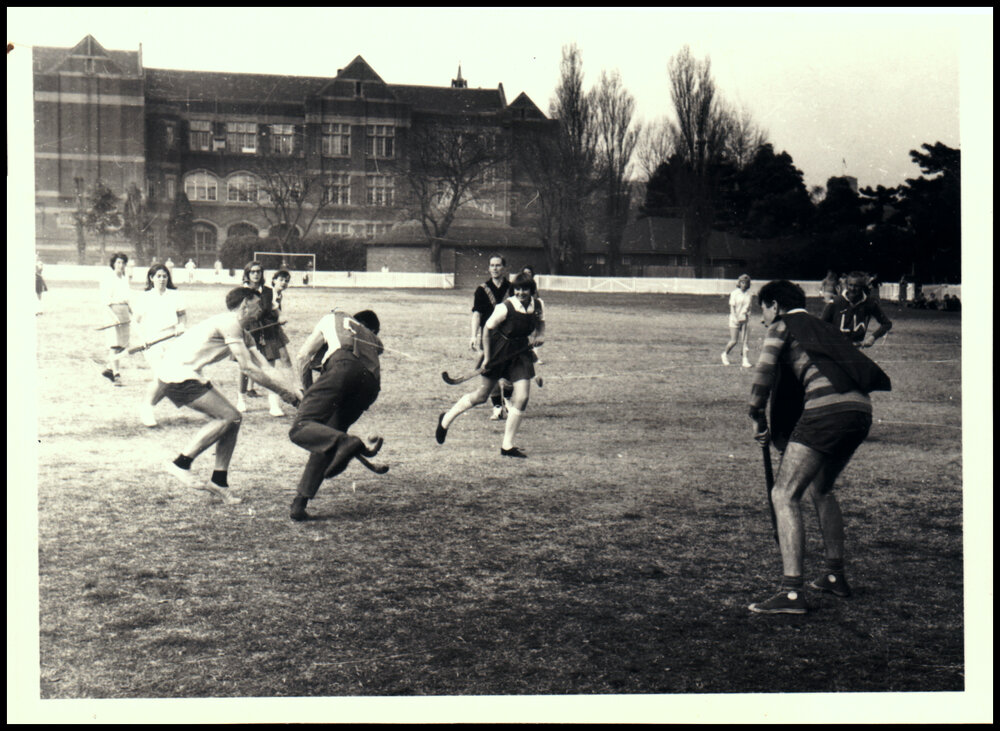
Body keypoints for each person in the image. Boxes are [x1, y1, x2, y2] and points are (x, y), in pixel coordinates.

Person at [746, 280, 890, 614]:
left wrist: (755, 414)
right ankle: (834, 576)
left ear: (775, 305)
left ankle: (792, 593)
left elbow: (764, 374)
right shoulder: (820, 327)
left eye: (763, 309)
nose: (763, 318)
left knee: (784, 494)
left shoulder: (783, 325)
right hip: (860, 411)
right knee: (821, 490)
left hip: (827, 413)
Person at [157, 287, 303, 504]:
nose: (261, 309)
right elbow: (248, 369)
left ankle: (219, 481)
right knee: (228, 417)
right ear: (245, 303)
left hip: (188, 373)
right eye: (257, 304)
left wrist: (295, 391)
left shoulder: (244, 333)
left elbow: (264, 367)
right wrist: (286, 395)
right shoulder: (230, 323)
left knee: (233, 419)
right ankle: (180, 464)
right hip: (176, 374)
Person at [288, 308, 385, 521]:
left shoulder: (331, 318)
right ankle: (300, 502)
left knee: (301, 427)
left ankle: (346, 441)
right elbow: (378, 348)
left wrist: (307, 393)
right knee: (326, 437)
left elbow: (303, 357)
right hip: (370, 386)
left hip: (343, 367)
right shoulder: (372, 337)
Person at [436, 272, 545, 458]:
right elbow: (487, 329)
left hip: (520, 353)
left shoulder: (538, 305)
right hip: (499, 350)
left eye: (525, 289)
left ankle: (507, 446)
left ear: (532, 290)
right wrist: (487, 357)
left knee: (523, 397)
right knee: (481, 396)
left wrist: (539, 336)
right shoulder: (505, 307)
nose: (521, 293)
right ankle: (446, 419)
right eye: (517, 289)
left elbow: (540, 324)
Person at [133, 263, 187, 427]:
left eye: (165, 276)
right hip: (152, 340)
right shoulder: (144, 297)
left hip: (171, 338)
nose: (162, 279)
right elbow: (135, 322)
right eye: (158, 276)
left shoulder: (175, 295)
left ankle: (147, 406)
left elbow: (182, 315)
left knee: (169, 377)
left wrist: (181, 326)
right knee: (162, 375)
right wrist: (142, 338)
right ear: (151, 278)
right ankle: (147, 408)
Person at [470, 254, 514, 420]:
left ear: (504, 268)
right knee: (491, 372)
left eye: (498, 265)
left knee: (510, 371)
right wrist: (473, 336)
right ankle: (497, 406)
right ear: (489, 268)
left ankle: (508, 400)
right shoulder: (482, 290)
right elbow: (476, 314)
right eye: (492, 265)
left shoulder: (511, 288)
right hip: (489, 337)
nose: (495, 268)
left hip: (508, 338)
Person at [236, 260, 274, 412]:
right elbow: (238, 312)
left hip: (266, 330)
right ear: (247, 274)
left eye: (258, 271)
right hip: (247, 329)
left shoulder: (268, 291)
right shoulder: (241, 292)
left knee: (270, 365)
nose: (256, 274)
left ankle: (274, 403)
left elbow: (267, 309)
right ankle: (241, 399)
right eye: (253, 272)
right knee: (244, 365)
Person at [259, 269, 297, 417]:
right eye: (281, 279)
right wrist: (278, 316)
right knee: (270, 366)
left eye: (286, 281)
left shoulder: (278, 294)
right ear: (273, 280)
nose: (284, 283)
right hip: (266, 333)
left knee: (286, 360)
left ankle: (294, 390)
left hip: (275, 331)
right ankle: (273, 405)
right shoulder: (268, 292)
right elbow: (267, 310)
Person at [820, 271, 893, 348]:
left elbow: (887, 324)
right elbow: (821, 325)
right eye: (850, 285)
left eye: (856, 286)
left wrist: (873, 338)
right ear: (846, 285)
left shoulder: (869, 303)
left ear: (862, 286)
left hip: (855, 350)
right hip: (835, 348)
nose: (852, 289)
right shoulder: (836, 302)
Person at [100, 252, 133, 386]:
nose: (120, 265)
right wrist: (113, 317)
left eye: (123, 263)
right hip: (112, 311)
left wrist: (131, 311)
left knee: (122, 345)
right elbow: (105, 302)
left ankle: (109, 368)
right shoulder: (109, 279)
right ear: (113, 264)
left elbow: (127, 297)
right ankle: (116, 375)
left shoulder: (124, 279)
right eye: (118, 262)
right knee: (114, 344)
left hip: (124, 311)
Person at [722, 273, 754, 368]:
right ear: (739, 283)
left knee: (745, 341)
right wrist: (735, 318)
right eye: (742, 282)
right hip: (735, 319)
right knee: (734, 341)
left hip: (745, 320)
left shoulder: (749, 294)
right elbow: (732, 307)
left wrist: (748, 316)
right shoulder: (734, 293)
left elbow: (749, 307)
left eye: (746, 283)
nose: (744, 284)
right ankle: (724, 354)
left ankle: (745, 360)